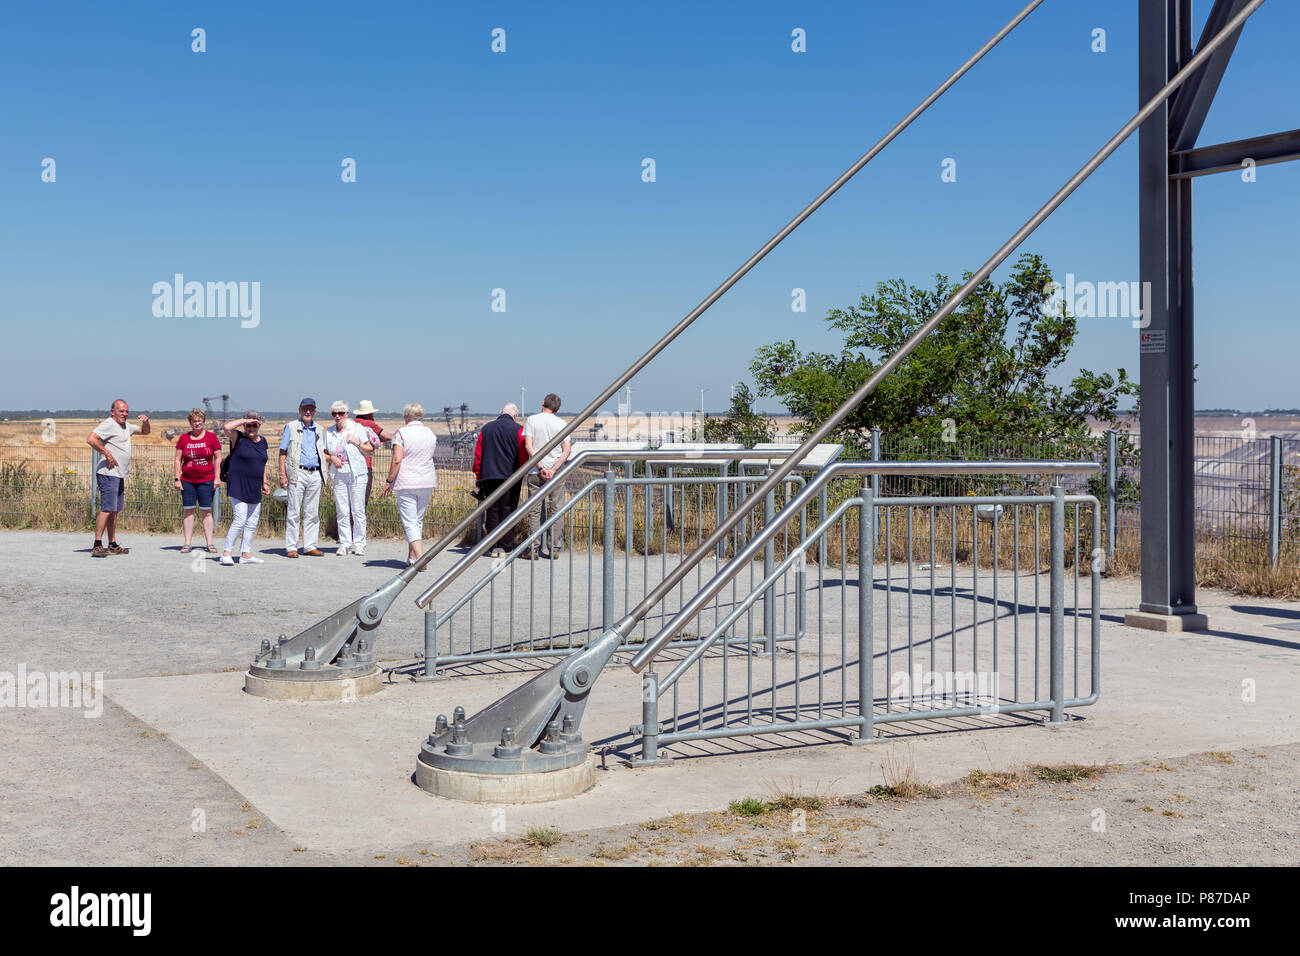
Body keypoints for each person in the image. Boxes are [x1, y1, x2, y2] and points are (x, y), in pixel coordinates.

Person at [85, 399, 150, 558]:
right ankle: (97, 544)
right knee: (107, 509)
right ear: (112, 412)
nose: (125, 414)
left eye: (126, 411)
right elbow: (91, 439)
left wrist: (147, 422)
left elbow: (145, 431)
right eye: (121, 411)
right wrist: (107, 453)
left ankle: (112, 543)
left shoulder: (126, 426)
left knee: (114, 510)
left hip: (119, 474)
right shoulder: (108, 424)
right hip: (108, 473)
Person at [380, 403, 437, 566]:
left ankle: (420, 558)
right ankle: (412, 558)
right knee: (418, 520)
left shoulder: (401, 433)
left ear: (407, 417)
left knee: (410, 521)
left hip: (407, 482)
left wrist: (389, 480)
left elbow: (397, 459)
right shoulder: (430, 433)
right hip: (426, 481)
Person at [473, 403, 528, 557]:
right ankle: (505, 547)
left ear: (500, 412)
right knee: (508, 511)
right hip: (511, 477)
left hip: (489, 476)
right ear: (515, 415)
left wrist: (478, 475)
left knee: (492, 511)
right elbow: (523, 454)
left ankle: (492, 547)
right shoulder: (519, 430)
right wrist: (522, 471)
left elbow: (478, 455)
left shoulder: (486, 429)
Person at [523, 393, 572, 560]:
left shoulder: (532, 420)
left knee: (534, 511)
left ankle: (533, 548)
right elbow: (567, 450)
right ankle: (554, 548)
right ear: (557, 409)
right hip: (556, 473)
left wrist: (541, 467)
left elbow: (528, 445)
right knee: (556, 510)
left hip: (536, 472)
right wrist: (553, 469)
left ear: (543, 402)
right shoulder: (562, 423)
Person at [278, 398, 328, 558]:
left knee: (312, 512)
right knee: (293, 511)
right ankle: (291, 547)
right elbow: (282, 452)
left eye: (311, 409)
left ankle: (310, 546)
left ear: (314, 411)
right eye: (305, 409)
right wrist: (282, 474)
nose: (308, 412)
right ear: (300, 410)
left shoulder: (319, 430)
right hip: (297, 473)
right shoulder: (291, 427)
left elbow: (323, 452)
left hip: (315, 473)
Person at [220, 412, 270, 566]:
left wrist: (265, 482)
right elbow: (226, 427)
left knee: (252, 522)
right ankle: (226, 553)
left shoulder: (263, 442)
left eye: (254, 425)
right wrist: (245, 419)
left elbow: (262, 464)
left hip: (254, 485)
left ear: (259, 425)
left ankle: (245, 554)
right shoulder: (238, 438)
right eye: (248, 425)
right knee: (240, 519)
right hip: (238, 485)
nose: (251, 428)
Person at [324, 401, 374, 556]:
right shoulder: (330, 432)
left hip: (357, 473)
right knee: (342, 510)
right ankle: (345, 543)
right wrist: (332, 458)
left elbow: (369, 450)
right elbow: (324, 453)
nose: (337, 416)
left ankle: (359, 543)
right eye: (334, 414)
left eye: (340, 413)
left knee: (357, 509)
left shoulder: (357, 428)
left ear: (347, 413)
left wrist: (356, 442)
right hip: (339, 474)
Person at [173, 408, 222, 553]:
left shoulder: (211, 438)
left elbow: (218, 457)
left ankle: (210, 543)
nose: (197, 423)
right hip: (187, 481)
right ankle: (187, 543)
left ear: (203, 422)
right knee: (189, 511)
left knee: (206, 512)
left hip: (206, 480)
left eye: (199, 421)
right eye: (194, 421)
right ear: (190, 422)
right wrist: (177, 478)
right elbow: (177, 459)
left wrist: (217, 477)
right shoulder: (184, 438)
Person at [353, 400, 392, 508]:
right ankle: (358, 524)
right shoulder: (369, 424)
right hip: (365, 465)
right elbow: (387, 436)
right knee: (363, 500)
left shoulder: (352, 423)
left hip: (352, 465)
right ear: (369, 414)